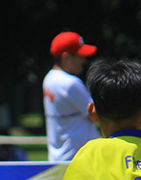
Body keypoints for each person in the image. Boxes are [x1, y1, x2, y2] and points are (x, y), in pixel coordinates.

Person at [42, 32, 100, 161]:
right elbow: (96, 113)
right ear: (66, 57)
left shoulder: (49, 79)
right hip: (78, 159)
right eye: (80, 56)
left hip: (58, 157)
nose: (84, 61)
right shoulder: (70, 83)